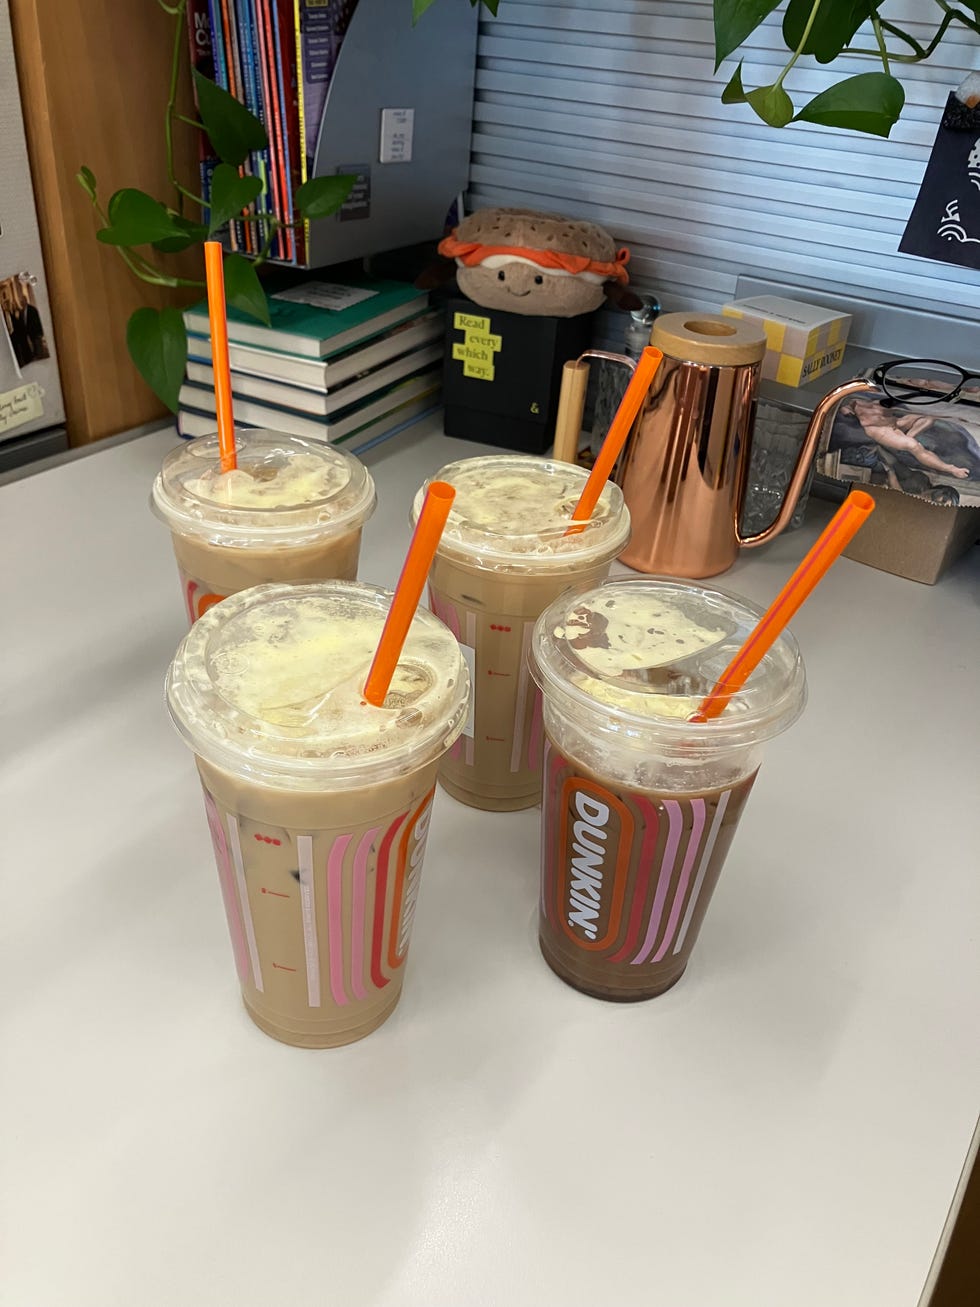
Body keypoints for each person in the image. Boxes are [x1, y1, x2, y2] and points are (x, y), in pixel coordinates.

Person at [844, 398, 972, 479]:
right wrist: (953, 469)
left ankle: (909, 436)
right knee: (914, 446)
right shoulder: (866, 419)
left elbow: (902, 405)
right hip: (884, 432)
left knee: (929, 418)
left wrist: (954, 417)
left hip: (895, 423)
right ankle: (951, 468)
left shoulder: (871, 403)